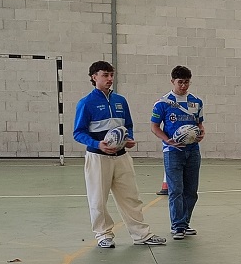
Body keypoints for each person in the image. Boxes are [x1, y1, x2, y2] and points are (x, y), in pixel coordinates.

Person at [73, 61, 167, 249]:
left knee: (130, 197)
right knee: (98, 199)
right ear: (94, 77)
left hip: (122, 158)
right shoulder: (86, 103)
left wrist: (128, 139)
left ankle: (141, 234)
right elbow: (78, 132)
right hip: (98, 158)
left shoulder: (120, 101)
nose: (109, 79)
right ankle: (103, 234)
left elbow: (128, 125)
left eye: (111, 75)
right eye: (105, 75)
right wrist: (97, 143)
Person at [150, 66, 205, 240]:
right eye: (180, 82)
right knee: (176, 190)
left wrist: (201, 133)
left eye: (186, 82)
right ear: (172, 81)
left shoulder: (196, 102)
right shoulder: (163, 103)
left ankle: (185, 223)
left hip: (193, 151)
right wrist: (167, 140)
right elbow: (154, 127)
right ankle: (177, 226)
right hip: (173, 152)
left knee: (191, 191)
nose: (183, 86)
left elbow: (200, 124)